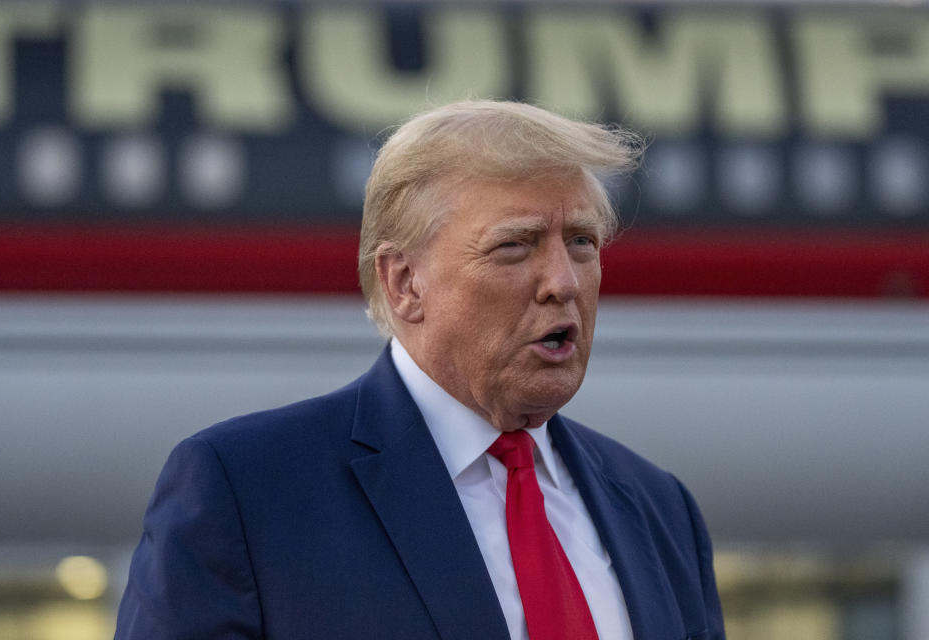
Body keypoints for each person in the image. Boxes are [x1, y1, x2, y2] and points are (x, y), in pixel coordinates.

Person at [115, 100, 725, 640]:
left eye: (583, 243)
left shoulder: (658, 507)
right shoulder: (247, 493)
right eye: (517, 245)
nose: (563, 283)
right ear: (404, 282)